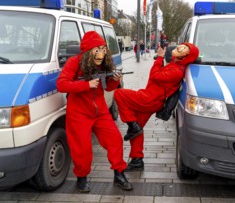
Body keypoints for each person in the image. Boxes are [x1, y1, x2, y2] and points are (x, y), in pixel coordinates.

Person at [56, 31, 133, 192]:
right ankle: (81, 178)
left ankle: (119, 174)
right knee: (82, 149)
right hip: (78, 113)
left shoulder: (104, 64)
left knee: (115, 140)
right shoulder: (74, 63)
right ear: (87, 51)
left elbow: (108, 87)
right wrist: (86, 85)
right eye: (96, 50)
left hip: (100, 111)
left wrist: (115, 80)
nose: (100, 54)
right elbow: (62, 85)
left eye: (103, 50)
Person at [114, 42, 199, 171]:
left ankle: (131, 124)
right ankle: (137, 159)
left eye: (182, 49)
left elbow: (155, 75)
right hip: (150, 98)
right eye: (179, 46)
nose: (177, 48)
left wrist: (159, 58)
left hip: (149, 99)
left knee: (119, 93)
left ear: (186, 56)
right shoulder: (175, 64)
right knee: (137, 130)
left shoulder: (177, 71)